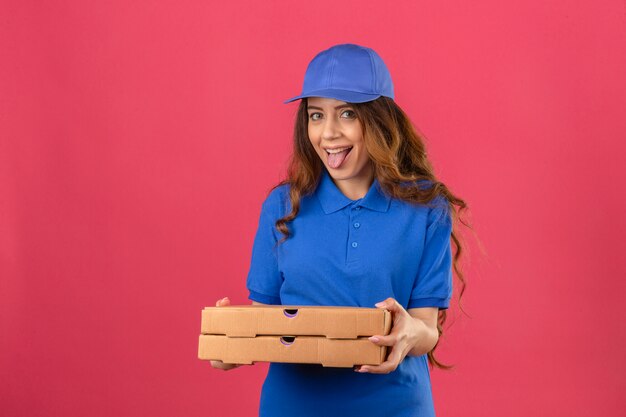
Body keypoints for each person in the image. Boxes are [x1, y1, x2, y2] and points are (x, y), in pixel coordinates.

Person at [210, 43, 470, 417]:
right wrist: (231, 341)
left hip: (394, 404)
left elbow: (427, 326)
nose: (328, 133)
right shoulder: (284, 206)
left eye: (346, 114)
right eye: (316, 115)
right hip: (295, 405)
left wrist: (410, 333)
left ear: (381, 120)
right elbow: (265, 318)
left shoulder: (426, 208)